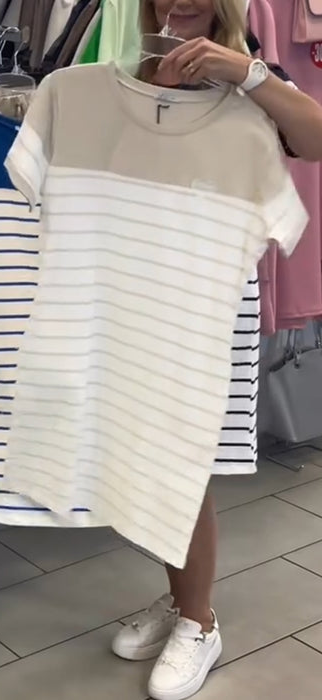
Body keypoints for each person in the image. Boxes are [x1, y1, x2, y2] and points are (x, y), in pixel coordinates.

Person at [110, 2, 322, 700]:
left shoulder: (251, 68)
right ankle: (182, 596)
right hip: (140, 283)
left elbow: (315, 138)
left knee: (185, 457)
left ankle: (199, 621)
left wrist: (247, 72)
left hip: (212, 290)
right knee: (149, 453)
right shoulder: (135, 65)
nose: (180, 1)